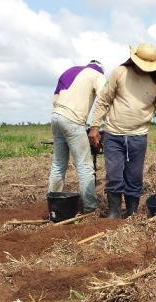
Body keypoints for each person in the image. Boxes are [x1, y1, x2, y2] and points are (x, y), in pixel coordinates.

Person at [89, 43, 156, 218]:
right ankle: (114, 212)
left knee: (134, 177)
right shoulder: (120, 72)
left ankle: (132, 212)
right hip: (113, 134)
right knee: (113, 176)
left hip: (138, 137)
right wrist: (95, 126)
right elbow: (104, 100)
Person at [48, 60, 106, 213]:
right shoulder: (98, 75)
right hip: (73, 120)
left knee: (58, 165)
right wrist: (96, 125)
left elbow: (55, 98)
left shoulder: (70, 71)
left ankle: (54, 206)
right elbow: (104, 98)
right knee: (85, 166)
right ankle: (90, 207)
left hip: (56, 117)